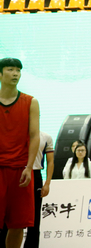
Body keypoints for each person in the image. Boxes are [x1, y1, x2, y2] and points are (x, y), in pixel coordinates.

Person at [0, 57, 40, 248]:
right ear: (0, 74)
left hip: (20, 170)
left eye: (18, 70)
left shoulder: (31, 102)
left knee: (17, 225)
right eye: (10, 69)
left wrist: (29, 167)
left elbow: (34, 136)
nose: (15, 73)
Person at [22, 130, 53, 248]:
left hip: (35, 175)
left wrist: (47, 183)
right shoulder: (18, 133)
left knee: (35, 216)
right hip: (18, 172)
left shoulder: (46, 137)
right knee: (11, 214)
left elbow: (50, 161)